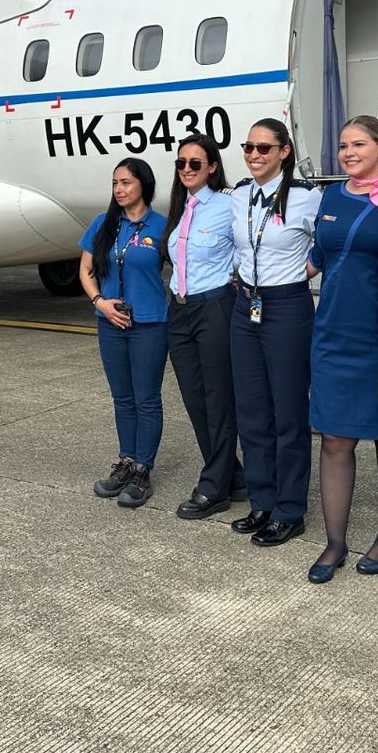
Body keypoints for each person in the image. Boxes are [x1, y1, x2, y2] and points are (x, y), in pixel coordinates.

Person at [304, 115, 378, 584]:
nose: (348, 153)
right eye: (343, 145)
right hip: (332, 334)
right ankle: (334, 542)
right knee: (334, 440)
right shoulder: (330, 196)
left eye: (358, 145)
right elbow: (317, 258)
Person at [228, 117, 321, 546]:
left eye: (264, 148)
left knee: (288, 414)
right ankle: (262, 501)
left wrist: (302, 272)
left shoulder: (307, 197)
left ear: (284, 152)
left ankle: (289, 509)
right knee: (251, 412)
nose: (254, 155)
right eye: (248, 147)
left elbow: (329, 244)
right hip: (246, 306)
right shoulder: (239, 196)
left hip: (286, 306)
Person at [161, 133, 246, 519]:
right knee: (195, 400)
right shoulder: (181, 208)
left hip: (214, 306)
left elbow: (246, 249)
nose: (187, 170)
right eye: (181, 163)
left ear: (212, 167)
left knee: (218, 398)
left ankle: (214, 487)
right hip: (179, 311)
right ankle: (233, 476)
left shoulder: (229, 203)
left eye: (195, 163)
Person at [78, 158, 170, 508]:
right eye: (115, 183)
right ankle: (125, 461)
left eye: (126, 183)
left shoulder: (162, 226)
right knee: (122, 398)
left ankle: (143, 470)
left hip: (149, 324)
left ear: (143, 185)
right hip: (110, 323)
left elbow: (182, 268)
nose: (119, 189)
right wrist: (100, 302)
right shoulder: (103, 224)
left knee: (147, 399)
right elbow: (85, 269)